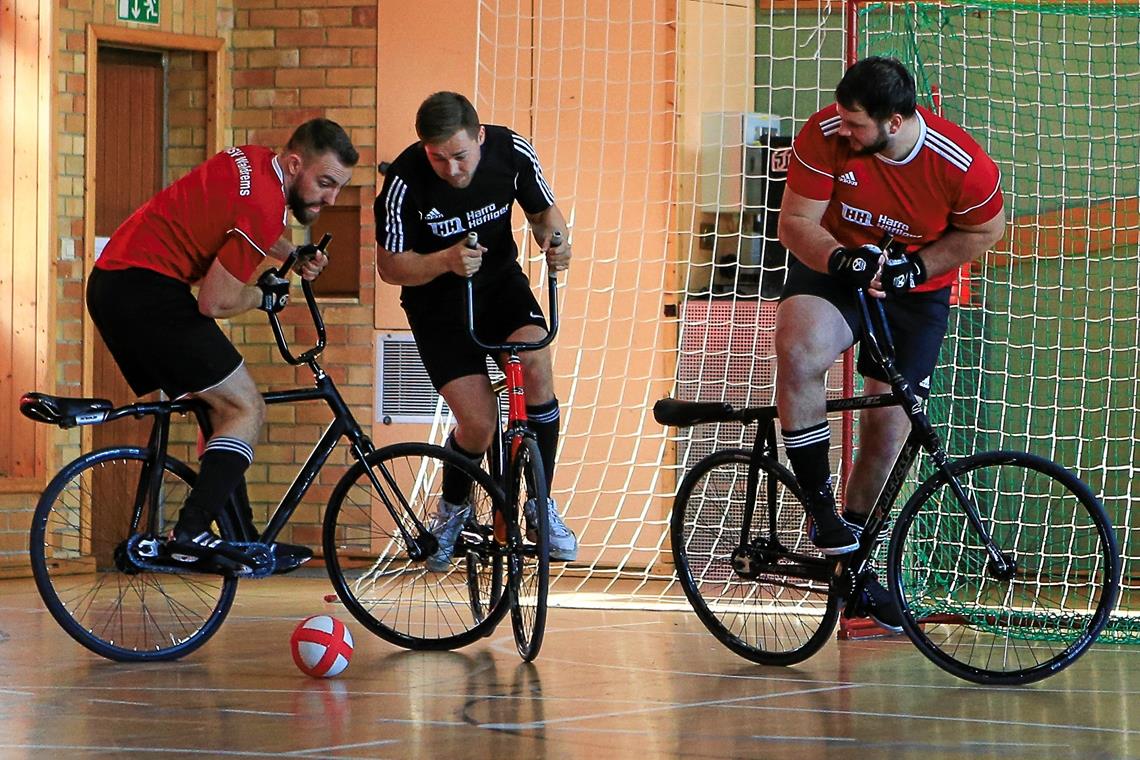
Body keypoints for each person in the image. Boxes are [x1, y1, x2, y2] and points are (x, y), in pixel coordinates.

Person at [775, 57, 1005, 630]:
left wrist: (918, 266)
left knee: (890, 423)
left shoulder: (963, 165)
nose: (842, 129)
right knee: (800, 351)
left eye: (856, 124)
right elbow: (796, 221)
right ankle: (822, 511)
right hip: (836, 264)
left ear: (896, 122)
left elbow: (986, 230)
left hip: (915, 287)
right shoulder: (825, 133)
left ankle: (852, 566)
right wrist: (839, 258)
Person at [87, 118, 359, 570]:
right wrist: (264, 295)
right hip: (147, 293)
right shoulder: (266, 205)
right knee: (245, 408)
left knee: (218, 407)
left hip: (116, 284)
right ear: (295, 165)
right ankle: (191, 532)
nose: (330, 199)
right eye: (325, 183)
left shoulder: (250, 159)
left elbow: (238, 217)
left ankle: (241, 537)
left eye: (338, 188)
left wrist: (291, 253)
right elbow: (214, 301)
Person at [373, 91, 578, 571]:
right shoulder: (404, 179)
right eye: (438, 157)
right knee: (480, 422)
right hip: (437, 305)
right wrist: (444, 260)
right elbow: (389, 266)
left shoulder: (511, 151)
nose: (452, 169)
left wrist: (558, 242)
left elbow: (545, 214)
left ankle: (539, 504)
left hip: (500, 287)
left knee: (535, 362)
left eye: (461, 155)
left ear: (480, 137)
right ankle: (452, 512)